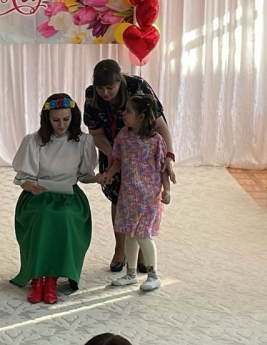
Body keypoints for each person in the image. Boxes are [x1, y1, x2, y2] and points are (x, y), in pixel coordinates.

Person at [84, 59, 176, 273]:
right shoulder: (92, 96)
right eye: (101, 88)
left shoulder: (138, 86)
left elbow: (160, 125)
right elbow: (95, 133)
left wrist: (168, 156)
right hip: (113, 149)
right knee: (119, 199)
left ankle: (143, 252)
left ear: (120, 81)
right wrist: (115, 155)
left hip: (144, 156)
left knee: (144, 202)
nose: (105, 93)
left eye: (110, 87)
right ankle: (120, 250)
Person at [10, 93, 98, 304]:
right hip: (38, 195)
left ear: (73, 117)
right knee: (43, 216)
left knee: (64, 217)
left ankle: (51, 279)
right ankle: (37, 278)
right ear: (47, 119)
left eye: (66, 119)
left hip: (69, 196)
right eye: (55, 120)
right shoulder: (34, 141)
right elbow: (23, 179)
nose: (61, 125)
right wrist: (30, 185)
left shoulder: (83, 141)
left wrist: (97, 178)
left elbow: (83, 176)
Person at [98, 95, 170, 292]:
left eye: (128, 111)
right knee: (130, 233)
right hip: (128, 194)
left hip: (148, 197)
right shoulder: (124, 136)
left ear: (141, 116)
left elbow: (163, 168)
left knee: (143, 235)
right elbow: (118, 160)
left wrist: (167, 190)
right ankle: (130, 273)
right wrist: (109, 174)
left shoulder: (156, 141)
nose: (123, 114)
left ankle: (153, 275)